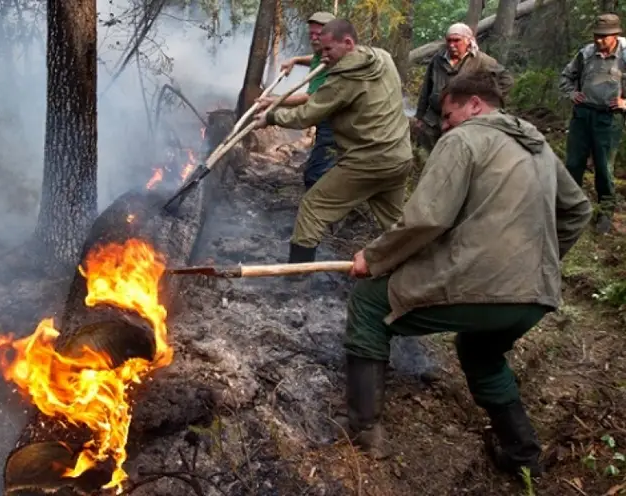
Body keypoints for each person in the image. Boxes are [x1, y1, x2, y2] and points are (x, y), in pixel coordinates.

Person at [342, 71, 592, 478]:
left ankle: (363, 433)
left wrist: (375, 257)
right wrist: (538, 262)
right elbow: (578, 210)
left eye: (447, 114)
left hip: (484, 290)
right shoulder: (539, 146)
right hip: (536, 296)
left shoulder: (464, 139)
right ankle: (523, 455)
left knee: (369, 302)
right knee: (481, 353)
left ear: (475, 104)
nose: (443, 125)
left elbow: (428, 217)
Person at [254, 18, 413, 265]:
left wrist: (271, 116)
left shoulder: (344, 79)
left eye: (328, 49)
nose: (323, 55)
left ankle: (297, 274)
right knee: (397, 223)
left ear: (348, 43)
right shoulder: (382, 57)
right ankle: (417, 267)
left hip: (368, 161)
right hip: (399, 157)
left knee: (312, 208)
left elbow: (306, 115)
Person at [559, 13, 626, 235]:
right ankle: (568, 206)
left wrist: (625, 102)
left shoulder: (624, 55)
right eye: (597, 35)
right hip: (583, 114)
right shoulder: (586, 53)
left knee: (604, 167)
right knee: (574, 162)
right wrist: (572, 93)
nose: (599, 40)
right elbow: (566, 76)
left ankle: (605, 211)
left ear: (616, 35)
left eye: (604, 37)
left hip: (609, 117)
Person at [256, 11, 338, 190]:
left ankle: (316, 210)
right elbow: (314, 59)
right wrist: (296, 59)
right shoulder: (323, 52)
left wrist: (274, 101)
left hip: (335, 126)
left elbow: (310, 98)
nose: (315, 38)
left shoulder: (331, 61)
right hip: (329, 121)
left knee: (315, 174)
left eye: (320, 35)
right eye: (312, 34)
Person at [413, 22, 514, 153]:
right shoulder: (437, 60)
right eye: (449, 40)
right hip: (433, 118)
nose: (451, 45)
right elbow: (427, 88)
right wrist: (420, 116)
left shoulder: (481, 61)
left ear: (468, 41)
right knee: (428, 153)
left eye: (456, 40)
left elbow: (507, 80)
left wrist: (485, 100)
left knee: (455, 153)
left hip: (461, 120)